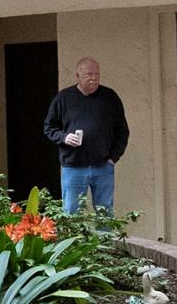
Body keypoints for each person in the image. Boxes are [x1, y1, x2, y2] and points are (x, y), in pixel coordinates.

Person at [42, 56, 129, 211]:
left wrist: (113, 158)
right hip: (73, 166)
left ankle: (105, 236)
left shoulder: (110, 97)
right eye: (89, 74)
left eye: (97, 74)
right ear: (78, 76)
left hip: (103, 165)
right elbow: (49, 127)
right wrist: (64, 137)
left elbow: (122, 130)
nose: (94, 78)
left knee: (105, 212)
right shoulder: (64, 98)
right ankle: (74, 237)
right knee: (72, 211)